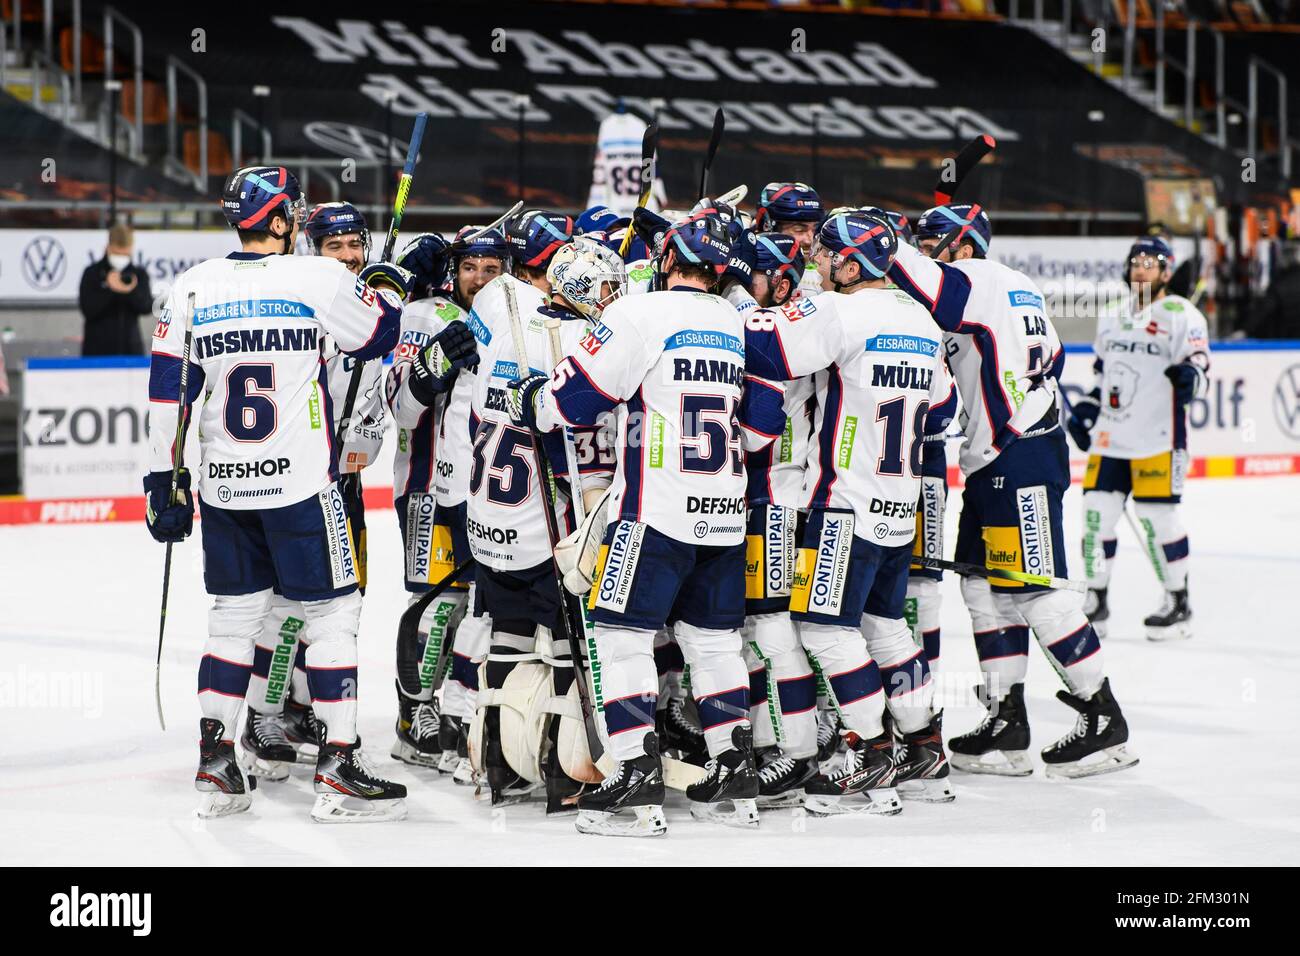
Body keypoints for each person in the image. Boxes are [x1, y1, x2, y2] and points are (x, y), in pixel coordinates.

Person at [144, 166, 457, 822]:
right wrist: (394, 282)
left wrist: (162, 478)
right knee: (334, 618)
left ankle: (216, 762)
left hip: (226, 487)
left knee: (233, 620)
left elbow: (169, 392)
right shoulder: (316, 279)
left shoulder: (192, 286)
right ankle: (339, 763)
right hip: (301, 488)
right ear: (282, 221)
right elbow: (380, 334)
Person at [519, 211, 780, 837]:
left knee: (620, 636)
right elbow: (762, 423)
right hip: (723, 511)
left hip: (653, 512)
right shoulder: (739, 320)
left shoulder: (638, 313)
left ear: (667, 260)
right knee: (714, 642)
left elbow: (574, 401)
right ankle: (734, 770)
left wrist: (534, 399)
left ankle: (635, 778)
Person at [887, 201, 1139, 780]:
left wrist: (878, 232)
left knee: (1032, 589)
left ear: (965, 247)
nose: (927, 252)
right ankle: (1007, 721)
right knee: (983, 587)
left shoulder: (975, 278)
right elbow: (1053, 355)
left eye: (936, 242)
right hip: (996, 454)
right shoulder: (1017, 286)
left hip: (1018, 453)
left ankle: (1104, 716)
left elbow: (907, 273)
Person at [741, 210, 957, 811]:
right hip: (900, 502)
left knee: (825, 630)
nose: (818, 261)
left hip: (843, 506)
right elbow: (943, 411)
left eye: (827, 253)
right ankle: (924, 741)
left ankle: (873, 751)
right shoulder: (921, 319)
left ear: (852, 260)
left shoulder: (838, 312)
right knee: (886, 627)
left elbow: (763, 343)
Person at [237, 201, 392, 779]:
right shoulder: (303, 304)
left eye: (356, 245)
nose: (350, 257)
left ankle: (303, 710)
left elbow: (385, 403)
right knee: (285, 611)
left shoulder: (361, 306)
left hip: (343, 483)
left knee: (336, 609)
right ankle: (261, 712)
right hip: (295, 482)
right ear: (312, 251)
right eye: (336, 247)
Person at [469, 237, 623, 811]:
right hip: (544, 527)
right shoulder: (580, 344)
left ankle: (495, 765)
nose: (612, 299)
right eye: (605, 289)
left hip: (489, 519)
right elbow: (572, 455)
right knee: (569, 645)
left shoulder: (504, 315)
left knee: (506, 638)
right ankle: (565, 774)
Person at [1067, 236, 1210, 641]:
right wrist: (1088, 410)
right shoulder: (1111, 316)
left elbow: (1199, 365)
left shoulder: (1182, 314)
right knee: (1095, 518)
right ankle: (1097, 599)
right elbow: (1102, 374)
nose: (1141, 268)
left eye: (1151, 262)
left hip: (1159, 439)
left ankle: (1178, 600)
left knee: (1159, 521)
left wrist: (1191, 379)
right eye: (1135, 262)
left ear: (1167, 272)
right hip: (1111, 440)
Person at [386, 230, 486, 780]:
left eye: (492, 266)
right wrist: (433, 367)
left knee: (477, 609)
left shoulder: (511, 316)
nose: (481, 276)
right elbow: (399, 405)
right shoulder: (424, 314)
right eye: (470, 265)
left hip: (486, 492)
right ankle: (413, 711)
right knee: (437, 604)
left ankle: (454, 708)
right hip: (425, 482)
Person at [79, 223, 153, 356]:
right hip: (96, 352)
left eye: (124, 254)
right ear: (108, 248)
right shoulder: (92, 273)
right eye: (117, 253)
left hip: (131, 350)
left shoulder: (138, 274)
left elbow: (146, 306)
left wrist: (129, 291)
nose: (121, 258)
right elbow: (87, 309)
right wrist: (110, 290)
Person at [752, 182, 824, 295]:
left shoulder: (826, 274)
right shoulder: (745, 266)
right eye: (799, 230)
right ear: (767, 227)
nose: (809, 240)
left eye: (815, 229)